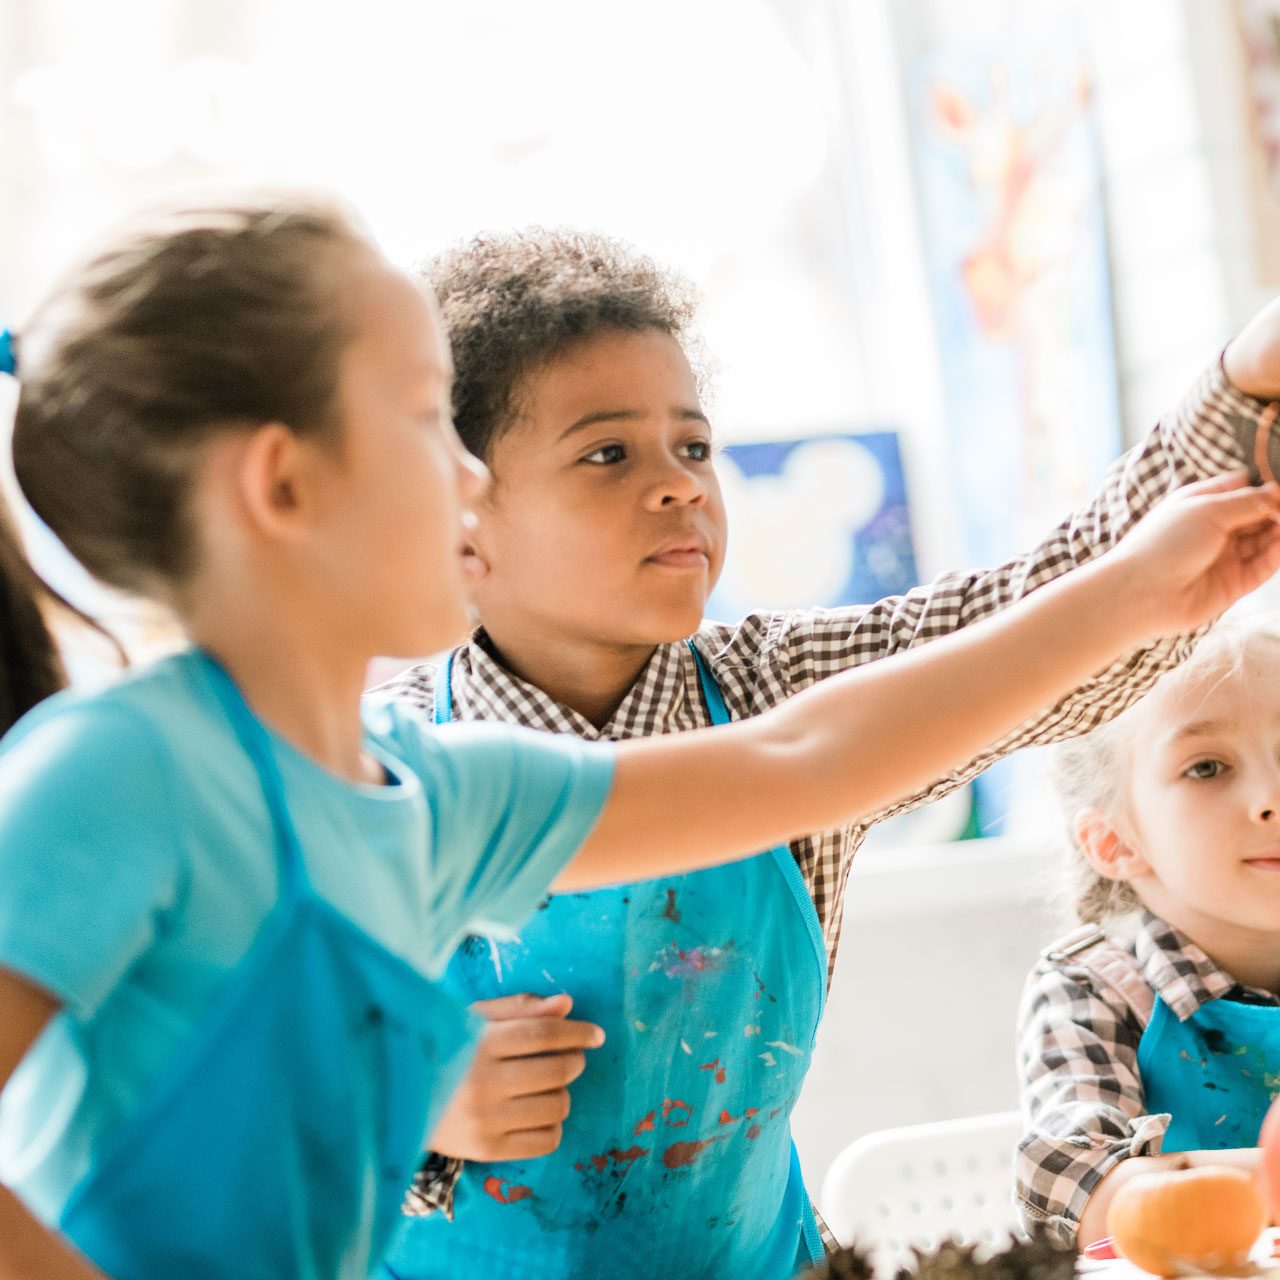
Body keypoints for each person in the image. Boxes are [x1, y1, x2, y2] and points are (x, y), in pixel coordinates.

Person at [0, 197, 1274, 1280]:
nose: (460, 477)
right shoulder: (112, 775)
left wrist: (1133, 587)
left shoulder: (439, 798)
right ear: (282, 485)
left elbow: (805, 757)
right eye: (417, 419)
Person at [376, 230, 1280, 1279]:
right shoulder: (375, 770)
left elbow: (1032, 617)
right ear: (458, 517)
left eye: (693, 445)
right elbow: (232, 1096)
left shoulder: (780, 693)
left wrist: (1239, 393)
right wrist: (407, 1103)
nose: (677, 486)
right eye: (606, 452)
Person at [1018, 609, 1280, 1246]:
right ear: (1114, 842)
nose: (1272, 794)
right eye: (1207, 768)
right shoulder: (1095, 988)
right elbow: (1076, 1193)